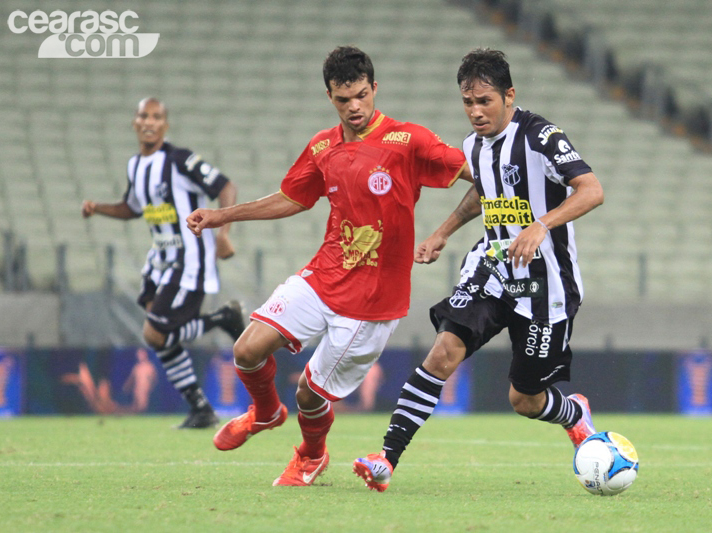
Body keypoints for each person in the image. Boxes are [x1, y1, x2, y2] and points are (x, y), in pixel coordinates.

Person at [185, 46, 471, 486]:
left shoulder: (409, 140)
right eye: (343, 100)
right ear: (330, 97)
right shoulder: (323, 146)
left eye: (361, 95)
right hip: (325, 275)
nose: (354, 107)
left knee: (310, 393)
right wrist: (222, 216)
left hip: (373, 301)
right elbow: (291, 198)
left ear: (374, 89)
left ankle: (311, 456)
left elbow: (482, 172)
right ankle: (265, 412)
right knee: (245, 350)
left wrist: (450, 229)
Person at [353, 48, 605, 492]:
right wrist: (443, 231)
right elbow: (485, 192)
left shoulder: (541, 136)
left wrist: (541, 225)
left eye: (484, 101)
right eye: (468, 103)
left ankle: (573, 413)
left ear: (509, 96)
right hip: (492, 269)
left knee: (524, 399)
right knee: (442, 353)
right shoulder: (473, 146)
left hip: (546, 285)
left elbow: (591, 190)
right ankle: (386, 459)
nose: (475, 112)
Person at [81, 97, 245, 429]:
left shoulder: (180, 160)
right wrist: (98, 207)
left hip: (190, 260)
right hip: (160, 260)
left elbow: (226, 187)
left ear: (165, 125)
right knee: (157, 337)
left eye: (156, 116)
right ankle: (200, 408)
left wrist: (223, 232)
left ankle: (220, 319)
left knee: (155, 331)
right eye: (144, 115)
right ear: (135, 122)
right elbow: (132, 207)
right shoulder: (135, 166)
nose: (149, 121)